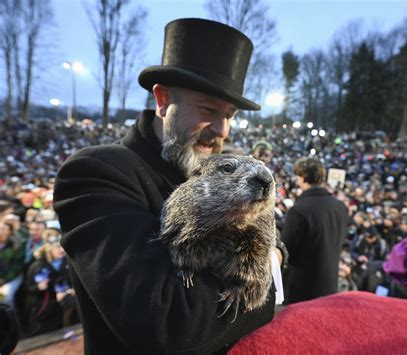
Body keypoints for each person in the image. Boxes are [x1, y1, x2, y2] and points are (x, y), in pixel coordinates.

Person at [53, 18, 276, 354]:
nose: (223, 130)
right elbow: (170, 324)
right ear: (163, 100)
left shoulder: (220, 167)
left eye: (230, 114)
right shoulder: (95, 172)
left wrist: (269, 254)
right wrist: (271, 264)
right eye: (208, 109)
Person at [281, 157, 349, 303]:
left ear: (303, 177)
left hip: (301, 289)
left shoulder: (299, 209)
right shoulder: (340, 207)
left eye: (298, 177)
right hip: (329, 285)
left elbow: (286, 251)